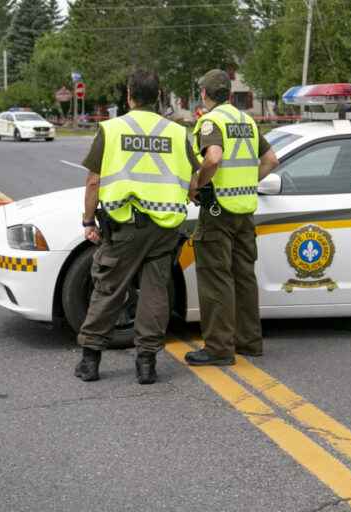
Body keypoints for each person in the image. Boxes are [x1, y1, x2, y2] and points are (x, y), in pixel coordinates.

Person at [75, 69, 200, 384]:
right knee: (155, 292)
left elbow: (93, 181)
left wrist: (88, 220)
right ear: (159, 97)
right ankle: (146, 364)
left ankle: (90, 360)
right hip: (164, 229)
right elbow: (194, 181)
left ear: (129, 95)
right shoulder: (176, 133)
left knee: (109, 288)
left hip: (125, 227)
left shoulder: (111, 130)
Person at [184, 69, 279, 366]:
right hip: (245, 209)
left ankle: (218, 348)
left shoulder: (211, 121)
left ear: (204, 94)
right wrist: (249, 181)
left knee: (216, 279)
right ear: (229, 93)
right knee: (243, 278)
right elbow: (271, 160)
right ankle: (249, 342)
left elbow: (213, 157)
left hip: (218, 211)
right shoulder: (247, 121)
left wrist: (198, 183)